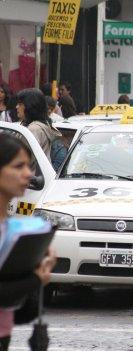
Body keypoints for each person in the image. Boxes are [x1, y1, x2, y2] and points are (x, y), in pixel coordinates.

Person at [0, 133, 57, 351]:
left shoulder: (13, 228)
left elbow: (20, 312)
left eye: (29, 166)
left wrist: (37, 268)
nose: (28, 174)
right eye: (18, 166)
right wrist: (34, 280)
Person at [17, 89, 62, 162]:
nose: (17, 107)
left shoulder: (34, 129)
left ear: (30, 106)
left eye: (20, 104)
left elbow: (24, 159)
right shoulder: (42, 125)